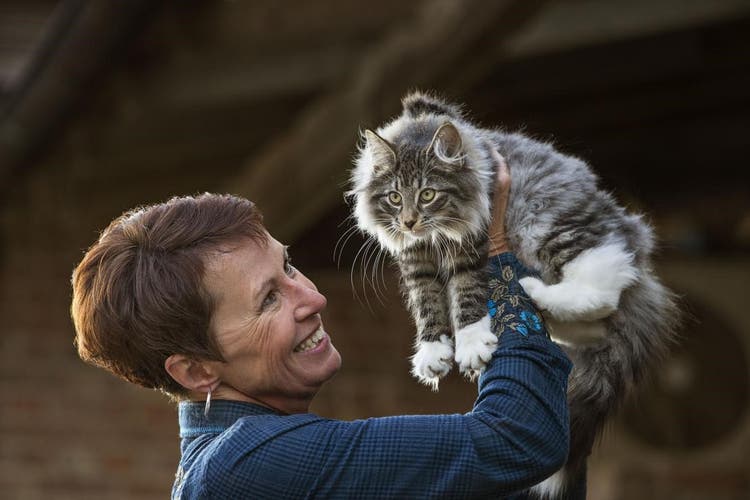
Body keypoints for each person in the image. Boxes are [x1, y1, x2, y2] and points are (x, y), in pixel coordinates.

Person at [71, 151, 574, 499]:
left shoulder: (248, 462)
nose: (313, 297)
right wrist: (494, 257)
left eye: (287, 268)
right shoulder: (243, 468)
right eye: (269, 299)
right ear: (196, 371)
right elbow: (516, 439)